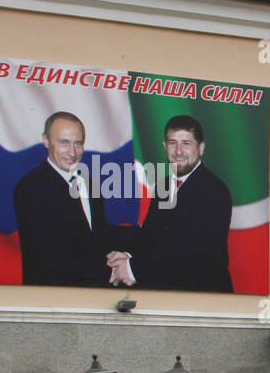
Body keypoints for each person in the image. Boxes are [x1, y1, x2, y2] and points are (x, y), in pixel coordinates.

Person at [108, 115, 233, 292]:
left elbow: (194, 256)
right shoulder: (163, 186)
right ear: (164, 146)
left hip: (203, 300)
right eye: (172, 143)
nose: (178, 151)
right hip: (167, 296)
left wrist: (131, 268)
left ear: (201, 148)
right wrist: (125, 255)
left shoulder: (214, 191)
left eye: (186, 143)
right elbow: (150, 237)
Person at [13, 111, 133, 287]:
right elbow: (49, 256)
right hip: (51, 298)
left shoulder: (89, 184)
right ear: (46, 140)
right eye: (64, 143)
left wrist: (145, 234)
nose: (72, 152)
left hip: (94, 296)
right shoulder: (31, 187)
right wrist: (112, 270)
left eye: (78, 144)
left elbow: (98, 234)